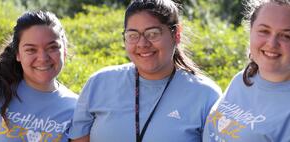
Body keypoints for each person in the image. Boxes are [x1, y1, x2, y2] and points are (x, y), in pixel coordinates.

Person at [69, 0, 222, 142]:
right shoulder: (99, 83)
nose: (142, 43)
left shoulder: (205, 95)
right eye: (133, 35)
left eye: (153, 33)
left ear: (176, 34)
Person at [203, 0, 290, 141]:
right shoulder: (243, 79)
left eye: (286, 36)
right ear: (251, 31)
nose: (272, 43)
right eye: (264, 31)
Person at [0, 11, 78, 142]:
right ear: (18, 54)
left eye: (52, 47)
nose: (43, 58)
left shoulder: (75, 108)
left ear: (64, 50)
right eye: (31, 50)